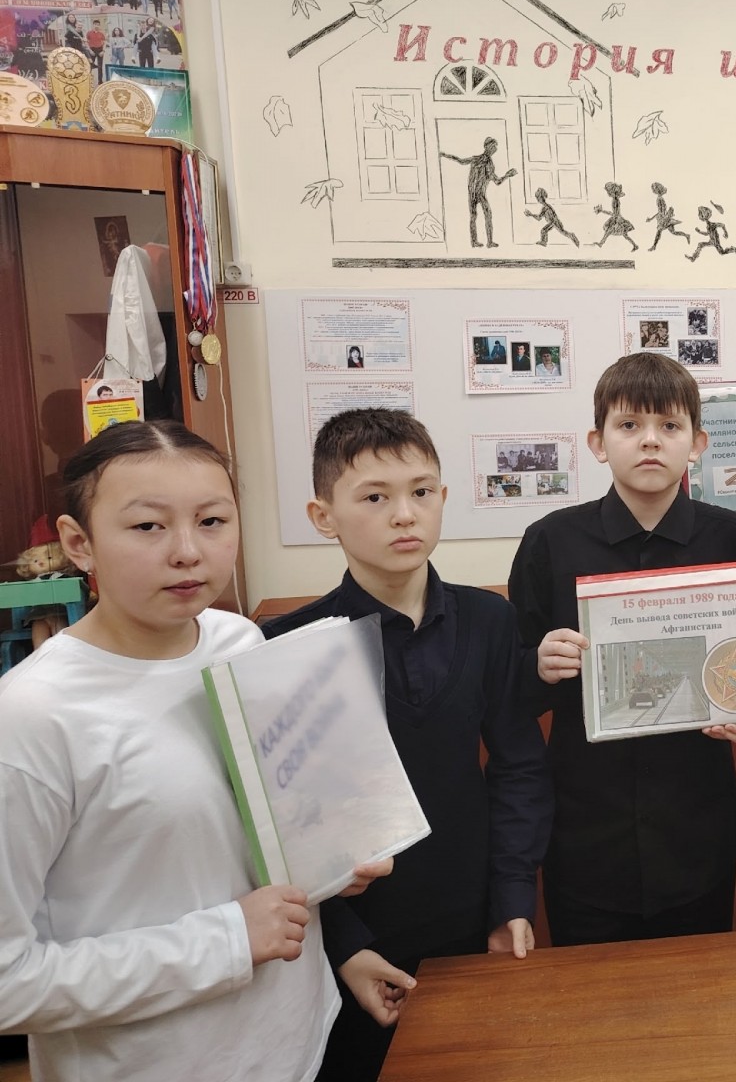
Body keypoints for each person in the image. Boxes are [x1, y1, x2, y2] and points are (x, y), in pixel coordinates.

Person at [0, 421, 389, 1081]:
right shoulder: (32, 716)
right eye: (147, 526)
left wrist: (330, 860)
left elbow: (251, 837)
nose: (187, 552)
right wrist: (226, 941)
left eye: (212, 521)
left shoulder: (239, 642)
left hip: (298, 1042)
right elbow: (9, 982)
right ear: (78, 542)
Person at [264, 409, 553, 1082]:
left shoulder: (489, 619)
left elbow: (518, 767)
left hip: (472, 916)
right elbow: (285, 825)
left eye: (421, 492)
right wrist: (345, 946)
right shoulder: (288, 646)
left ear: (442, 497)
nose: (404, 515)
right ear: (323, 516)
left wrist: (512, 898)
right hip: (350, 939)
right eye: (374, 497)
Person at [508, 352, 736, 946]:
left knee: (702, 988)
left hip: (697, 835)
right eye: (629, 425)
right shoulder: (549, 543)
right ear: (598, 443)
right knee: (593, 994)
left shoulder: (735, 540)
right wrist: (538, 666)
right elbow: (511, 693)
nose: (650, 440)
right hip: (585, 839)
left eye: (669, 425)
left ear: (697, 443)